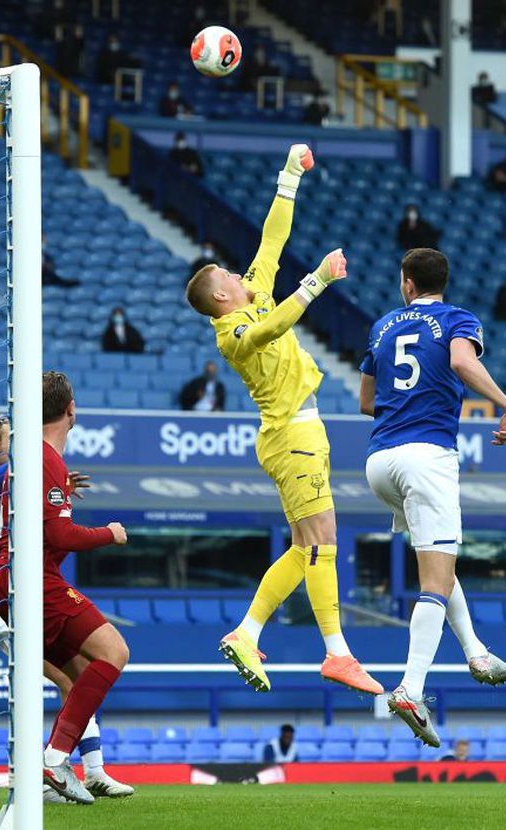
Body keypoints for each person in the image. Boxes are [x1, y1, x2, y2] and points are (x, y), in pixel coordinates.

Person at [183, 144, 382, 697]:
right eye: (226, 271)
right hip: (291, 435)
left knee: (304, 548)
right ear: (222, 294)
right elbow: (268, 332)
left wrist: (289, 175)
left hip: (298, 432)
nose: (236, 269)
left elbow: (273, 237)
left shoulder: (257, 291)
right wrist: (316, 281)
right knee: (324, 543)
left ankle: (246, 633)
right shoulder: (230, 332)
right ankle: (337, 653)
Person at [359, 248, 506, 749]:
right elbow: (459, 359)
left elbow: (367, 401)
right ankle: (410, 688)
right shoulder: (456, 318)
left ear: (406, 283)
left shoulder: (382, 327)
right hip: (428, 458)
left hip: (379, 461)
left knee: (438, 567)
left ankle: (476, 652)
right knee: (434, 577)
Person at [0, 371, 131, 804]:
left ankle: (58, 777)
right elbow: (62, 537)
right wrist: (110, 533)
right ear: (72, 411)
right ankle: (51, 759)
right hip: (32, 578)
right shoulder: (46, 458)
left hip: (11, 578)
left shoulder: (38, 460)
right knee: (115, 652)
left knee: (78, 679)